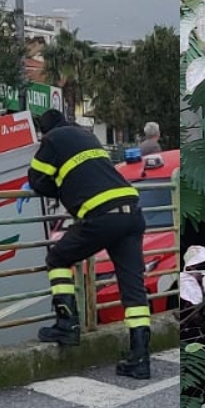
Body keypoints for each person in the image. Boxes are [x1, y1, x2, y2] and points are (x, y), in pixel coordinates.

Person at [29, 108, 151, 379]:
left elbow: (36, 180)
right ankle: (140, 358)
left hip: (101, 217)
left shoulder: (52, 140)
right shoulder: (87, 136)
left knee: (57, 259)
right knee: (133, 290)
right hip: (132, 212)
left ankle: (66, 324)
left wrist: (56, 188)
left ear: (44, 131)